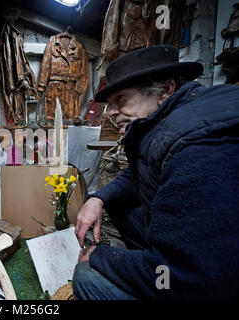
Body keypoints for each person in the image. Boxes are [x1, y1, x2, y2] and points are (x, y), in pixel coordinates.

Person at [72, 45, 239, 300]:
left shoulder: (198, 148)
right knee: (119, 204)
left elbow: (188, 277)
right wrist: (99, 198)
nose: (112, 113)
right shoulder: (173, 122)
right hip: (200, 258)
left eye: (121, 99)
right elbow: (140, 173)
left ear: (164, 91)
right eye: (110, 104)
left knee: (86, 276)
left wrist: (99, 256)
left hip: (203, 282)